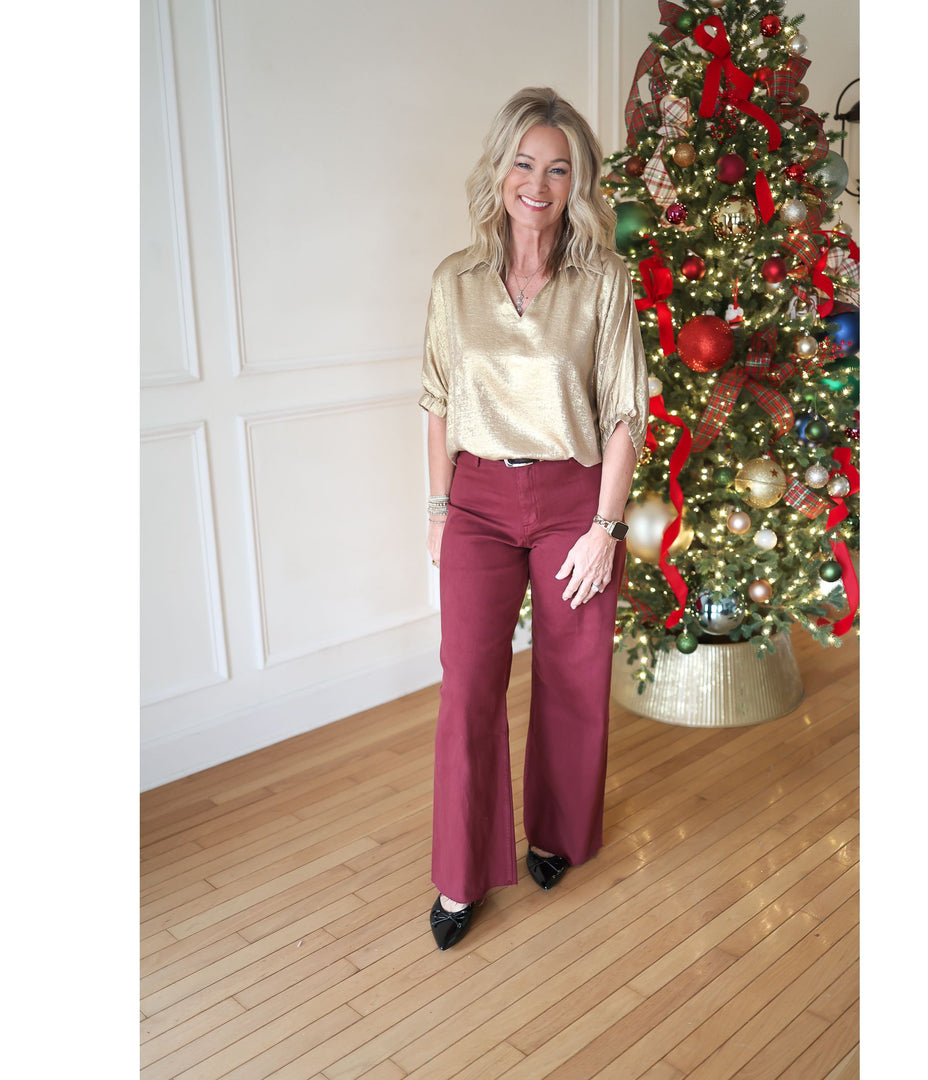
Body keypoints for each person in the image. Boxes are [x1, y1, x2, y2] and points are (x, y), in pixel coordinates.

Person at [419, 87, 648, 951]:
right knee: (467, 687)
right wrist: (439, 510)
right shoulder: (456, 280)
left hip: (572, 502)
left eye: (558, 168)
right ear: (501, 169)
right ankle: (460, 873)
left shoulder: (602, 283)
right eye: (524, 162)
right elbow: (438, 401)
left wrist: (606, 527)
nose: (538, 183)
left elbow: (626, 412)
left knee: (573, 674)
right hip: (476, 499)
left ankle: (555, 833)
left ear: (577, 181)